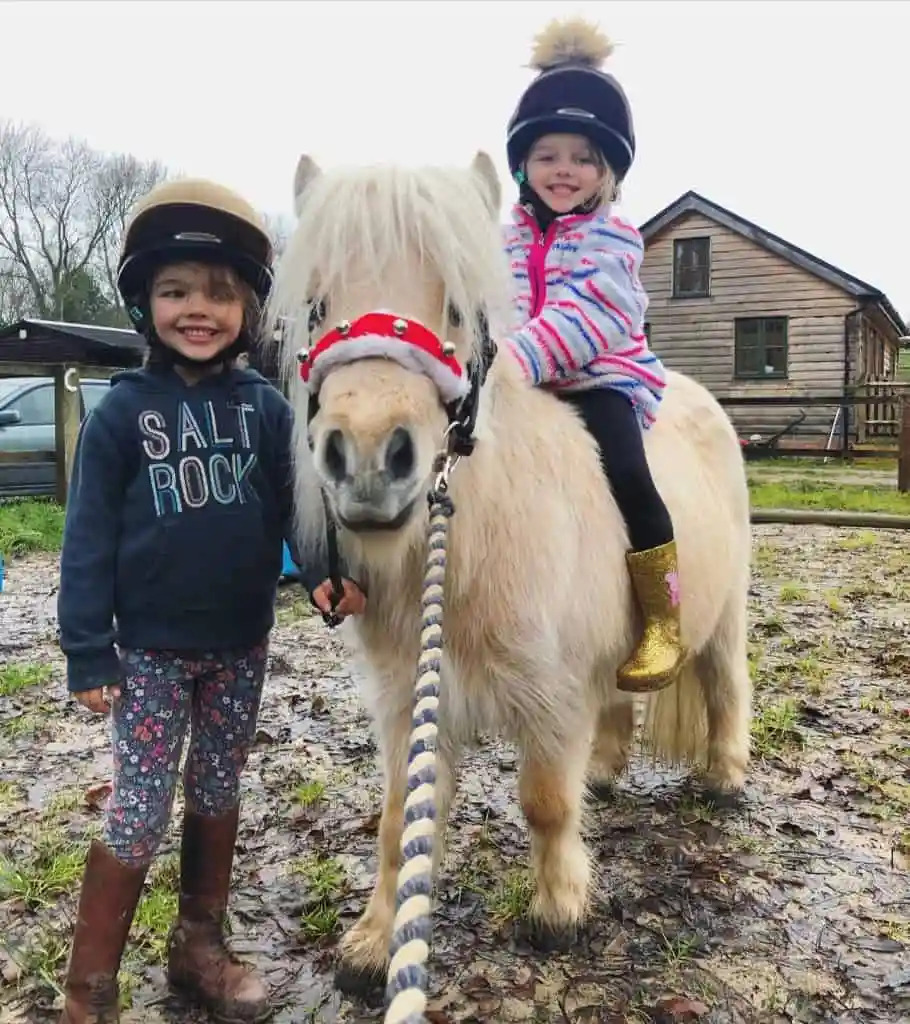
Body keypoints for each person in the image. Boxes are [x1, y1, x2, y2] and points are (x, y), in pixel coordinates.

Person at [56, 177, 364, 1024]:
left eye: (222, 294)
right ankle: (89, 989)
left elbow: (295, 511)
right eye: (177, 291)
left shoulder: (266, 410)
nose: (200, 309)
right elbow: (83, 541)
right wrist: (87, 647)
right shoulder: (122, 415)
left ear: (249, 311)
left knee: (220, 787)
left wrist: (321, 571)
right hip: (149, 650)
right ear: (143, 301)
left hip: (240, 642)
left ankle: (199, 947)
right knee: (141, 804)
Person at [502, 17, 687, 694]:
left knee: (629, 478)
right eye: (548, 155)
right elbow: (498, 307)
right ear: (523, 164)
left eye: (583, 158)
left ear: (606, 171)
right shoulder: (507, 238)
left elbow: (595, 315)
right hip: (523, 382)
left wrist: (513, 359)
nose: (564, 171)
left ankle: (663, 615)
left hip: (601, 379)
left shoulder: (615, 236)